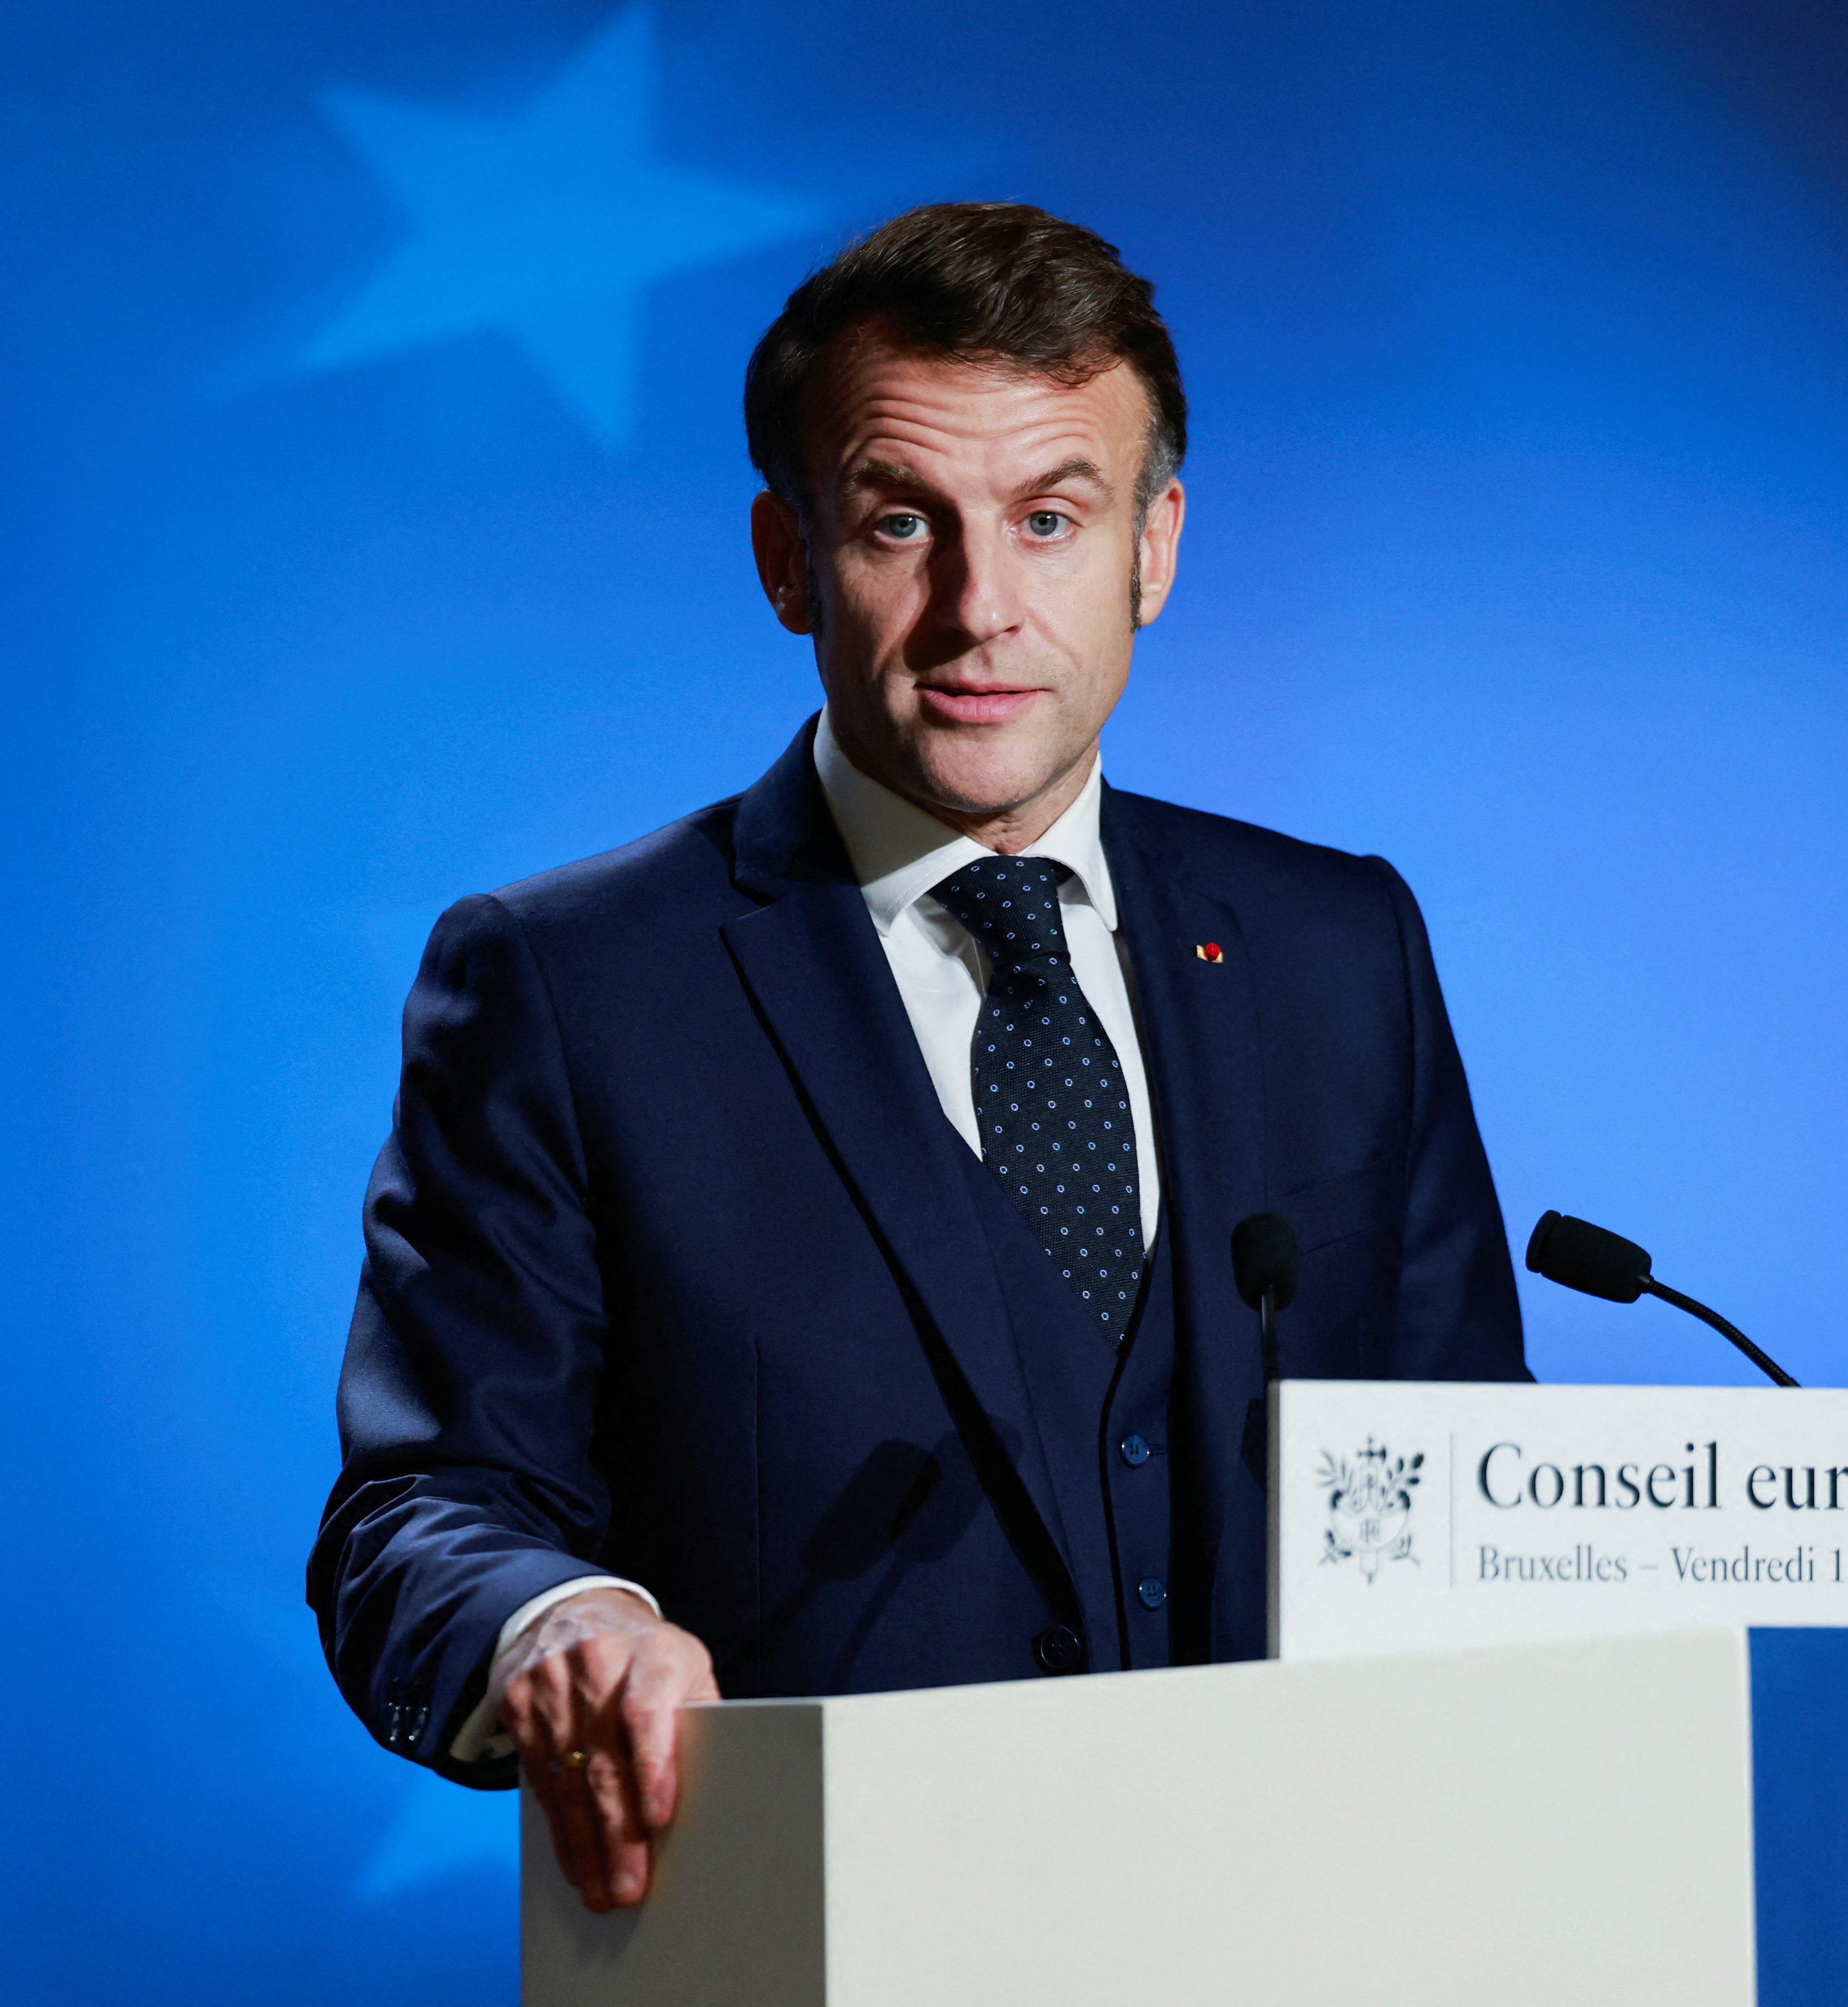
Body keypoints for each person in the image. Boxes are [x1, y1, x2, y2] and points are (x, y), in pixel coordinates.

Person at [308, 202, 1528, 1915]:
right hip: (807, 1929)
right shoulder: (569, 985)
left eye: (1049, 517)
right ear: (789, 557)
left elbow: (1473, 1485)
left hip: (1315, 1924)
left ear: (1153, 547)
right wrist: (560, 1622)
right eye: (901, 522)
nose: (980, 608)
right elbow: (417, 1515)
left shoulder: (1340, 948)